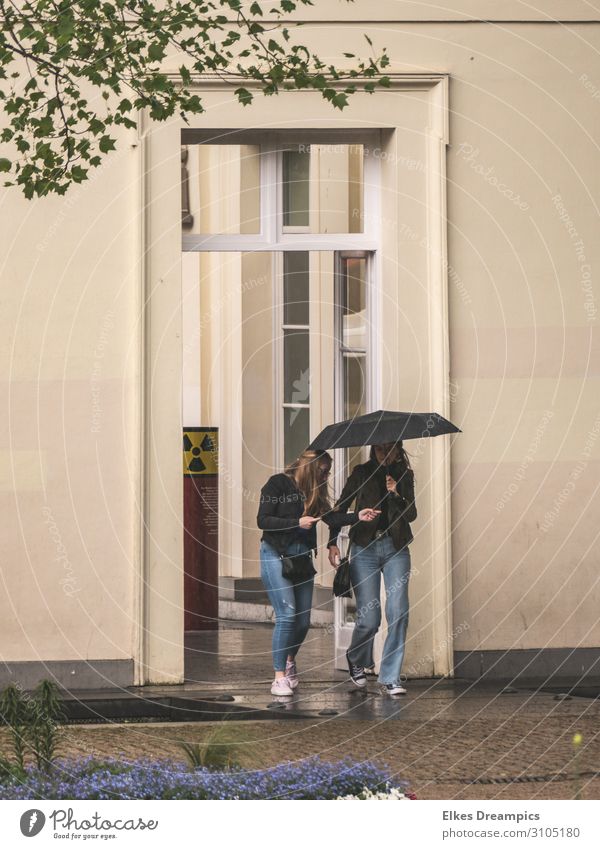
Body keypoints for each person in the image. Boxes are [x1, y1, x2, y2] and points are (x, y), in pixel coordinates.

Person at [257, 449, 380, 696]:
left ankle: (290, 658)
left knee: (302, 621)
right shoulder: (278, 484)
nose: (326, 476)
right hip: (275, 554)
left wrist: (358, 515)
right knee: (287, 614)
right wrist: (297, 522)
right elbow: (263, 520)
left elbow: (333, 519)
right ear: (310, 467)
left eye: (328, 472)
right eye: (323, 471)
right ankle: (279, 676)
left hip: (301, 559)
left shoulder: (314, 494)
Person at [327, 440, 417, 695]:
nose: (385, 454)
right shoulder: (361, 473)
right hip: (364, 549)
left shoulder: (404, 476)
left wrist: (396, 494)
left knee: (399, 611)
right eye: (380, 449)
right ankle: (356, 658)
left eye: (390, 449)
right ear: (372, 450)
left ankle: (390, 677)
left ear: (399, 450)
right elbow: (339, 509)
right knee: (369, 618)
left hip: (395, 548)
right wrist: (332, 543)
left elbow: (412, 515)